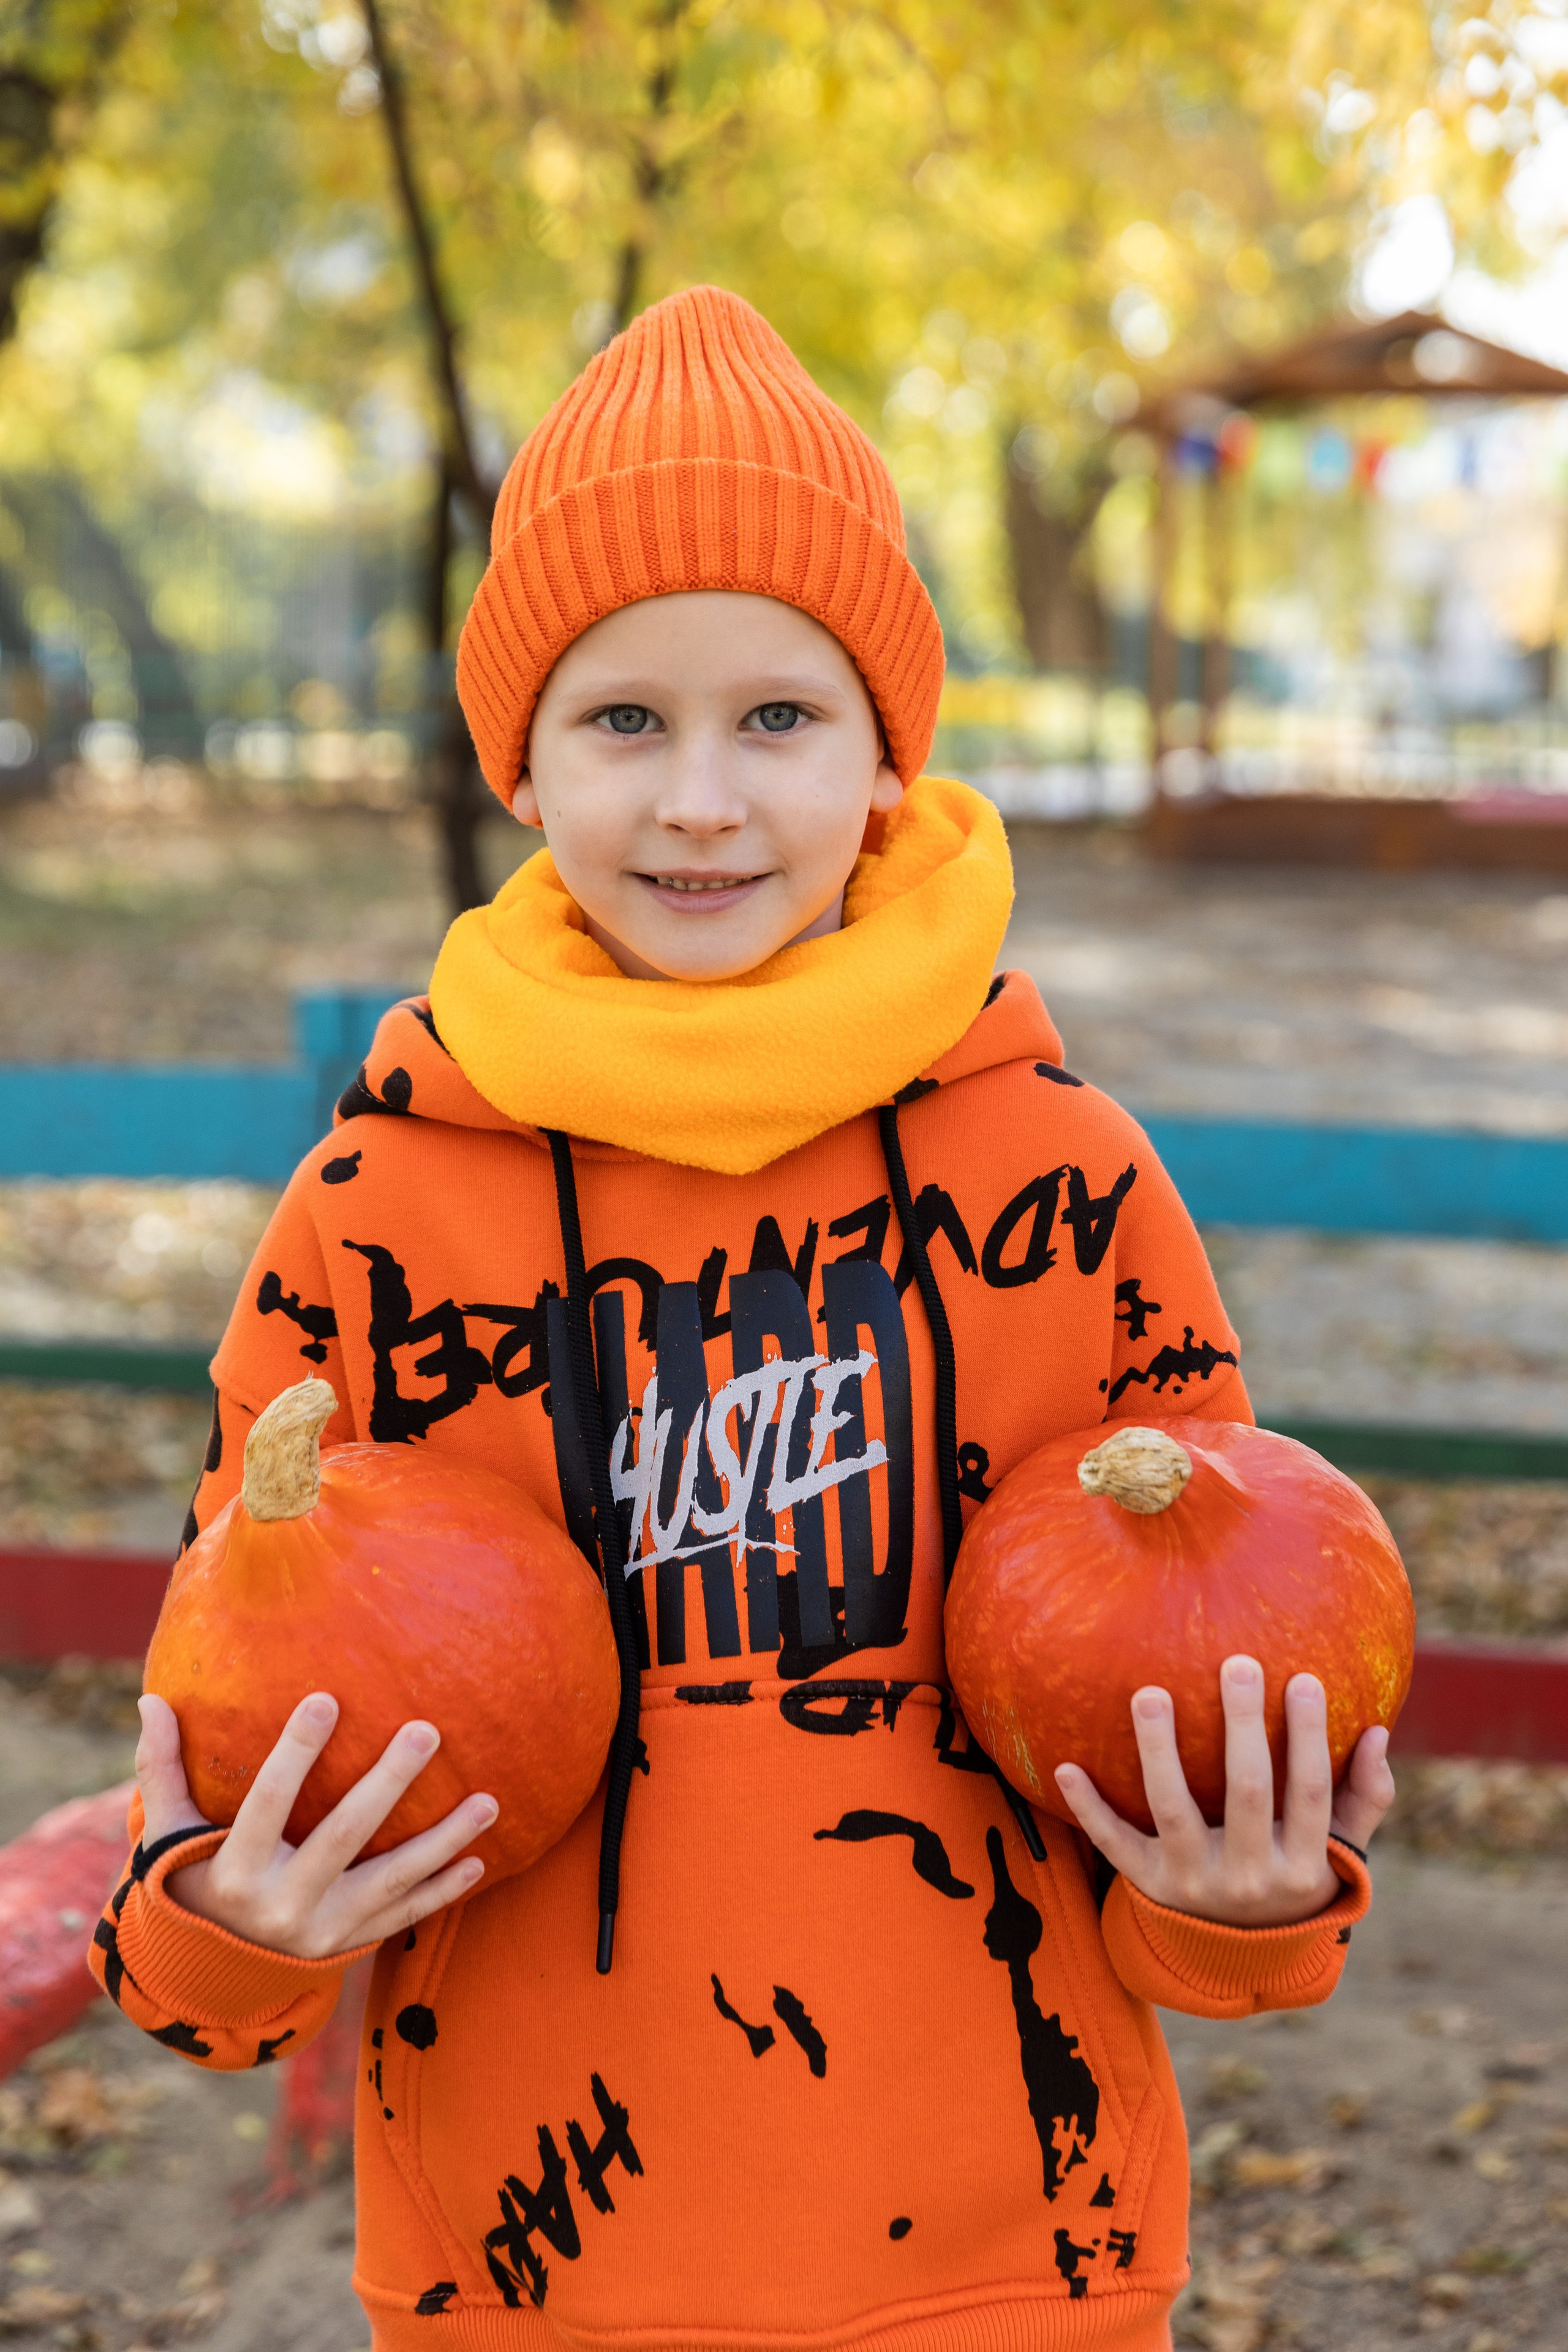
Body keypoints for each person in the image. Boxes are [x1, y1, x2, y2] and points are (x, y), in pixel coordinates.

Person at [92, 287, 1393, 2350]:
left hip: (1008, 2264)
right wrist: (225, 1942)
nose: (701, 799)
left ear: (891, 757)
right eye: (625, 720)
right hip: (525, 2274)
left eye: (779, 716)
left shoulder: (1067, 1191)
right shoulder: (379, 1216)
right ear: (517, 764)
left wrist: (1249, 1903)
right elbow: (230, 1741)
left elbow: (1186, 1685)